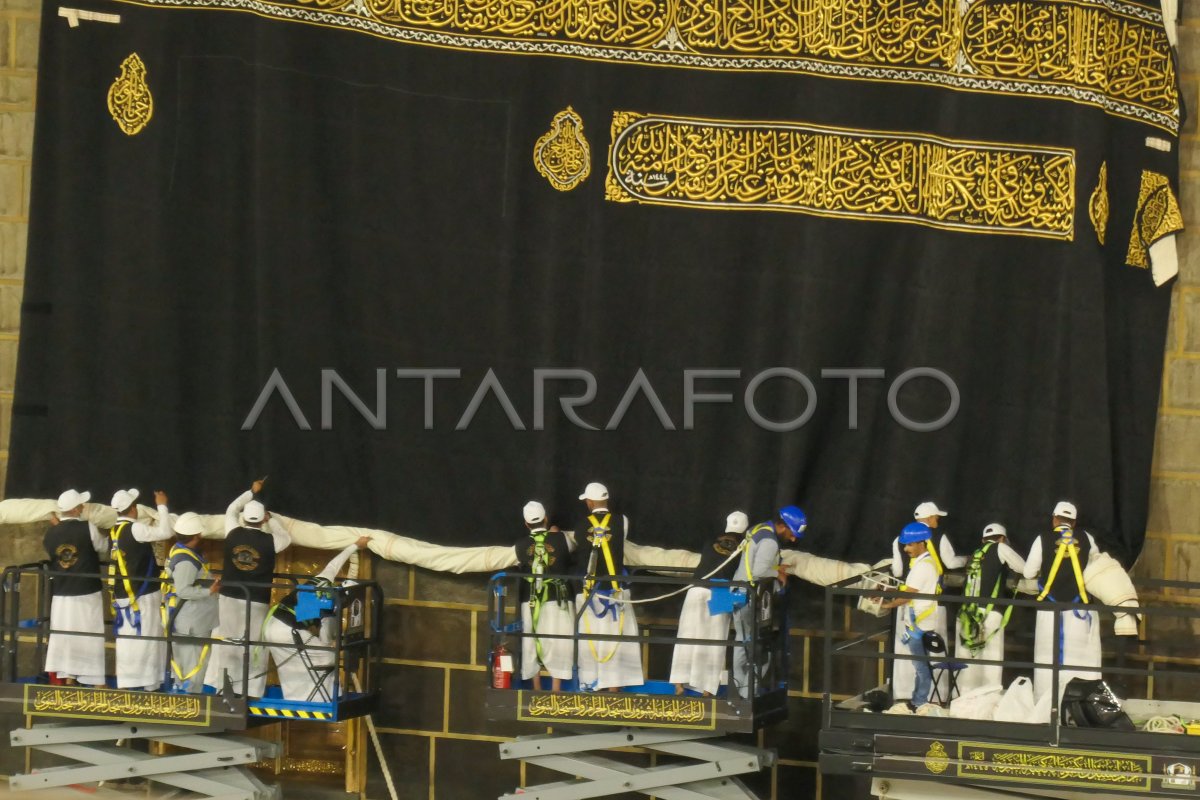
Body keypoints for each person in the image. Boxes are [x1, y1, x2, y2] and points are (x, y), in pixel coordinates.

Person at [206, 478, 290, 697]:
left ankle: (226, 687)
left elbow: (231, 508)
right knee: (254, 644)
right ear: (262, 519)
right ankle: (252, 690)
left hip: (230, 596)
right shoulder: (272, 541)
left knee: (229, 640)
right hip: (257, 599)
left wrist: (252, 491)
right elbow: (286, 538)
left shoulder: (232, 531)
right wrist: (272, 521)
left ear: (244, 518)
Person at [260, 536, 370, 701]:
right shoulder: (333, 606)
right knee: (327, 657)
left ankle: (295, 696)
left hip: (271, 626)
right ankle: (323, 699)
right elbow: (325, 639)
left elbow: (333, 565)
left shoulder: (322, 581)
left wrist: (355, 545)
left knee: (293, 665)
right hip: (288, 632)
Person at [1023, 501, 1102, 702]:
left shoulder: (1042, 538)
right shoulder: (1087, 538)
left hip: (1050, 609)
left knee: (1047, 660)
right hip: (1080, 610)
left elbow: (1028, 572)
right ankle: (1079, 705)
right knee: (1081, 661)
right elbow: (1096, 567)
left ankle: (1046, 707)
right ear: (1074, 523)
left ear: (1054, 519)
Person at [574, 482, 643, 691]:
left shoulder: (579, 526)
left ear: (589, 502)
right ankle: (614, 688)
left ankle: (594, 685)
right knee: (617, 641)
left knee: (592, 641)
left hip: (591, 594)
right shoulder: (623, 521)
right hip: (617, 591)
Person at [670, 510, 747, 696]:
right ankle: (707, 690)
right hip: (720, 593)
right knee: (715, 641)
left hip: (696, 588)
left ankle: (679, 684)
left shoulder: (710, 542)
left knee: (687, 636)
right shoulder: (745, 547)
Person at [732, 506, 805, 698]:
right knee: (755, 649)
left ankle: (744, 692)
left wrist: (775, 567)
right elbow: (757, 571)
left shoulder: (759, 529)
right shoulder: (770, 541)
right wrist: (778, 573)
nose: (793, 539)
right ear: (783, 526)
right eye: (792, 533)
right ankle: (746, 695)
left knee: (744, 641)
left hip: (741, 594)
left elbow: (754, 561)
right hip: (748, 597)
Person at [108, 487, 172, 690]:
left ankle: (128, 681)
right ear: (133, 509)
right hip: (143, 594)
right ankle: (149, 684)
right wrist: (162, 506)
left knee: (128, 639)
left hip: (123, 594)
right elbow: (166, 532)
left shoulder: (113, 532)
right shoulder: (135, 529)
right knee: (148, 637)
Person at [43, 489, 107, 686]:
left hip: (62, 593)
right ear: (76, 509)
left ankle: (69, 676)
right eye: (81, 505)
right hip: (86, 591)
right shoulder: (88, 527)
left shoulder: (50, 533)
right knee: (90, 635)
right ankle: (96, 681)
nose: (83, 507)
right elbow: (103, 547)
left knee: (66, 636)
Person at [955, 523, 1026, 693]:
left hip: (967, 614)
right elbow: (1023, 567)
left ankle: (965, 699)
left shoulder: (974, 554)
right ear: (1002, 538)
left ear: (983, 539)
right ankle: (990, 699)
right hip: (990, 613)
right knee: (991, 662)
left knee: (968, 662)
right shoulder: (1000, 548)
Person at [514, 501, 574, 692]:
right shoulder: (562, 539)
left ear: (526, 524)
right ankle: (556, 689)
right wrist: (556, 534)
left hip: (529, 600)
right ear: (545, 519)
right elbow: (571, 548)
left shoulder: (520, 545)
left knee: (531, 640)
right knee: (559, 640)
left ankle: (536, 688)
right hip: (559, 600)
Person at [882, 522, 942, 714]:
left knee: (921, 666)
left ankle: (919, 701)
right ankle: (918, 700)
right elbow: (908, 589)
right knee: (921, 666)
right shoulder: (924, 563)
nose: (906, 549)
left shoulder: (923, 566)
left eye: (908, 545)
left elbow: (909, 594)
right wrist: (890, 591)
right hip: (920, 622)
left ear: (919, 543)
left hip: (919, 624)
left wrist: (888, 604)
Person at [164, 512, 220, 693]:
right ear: (196, 536)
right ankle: (190, 698)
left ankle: (186, 694)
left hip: (193, 619)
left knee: (189, 661)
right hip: (191, 622)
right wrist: (209, 591)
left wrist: (210, 579)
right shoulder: (186, 561)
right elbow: (183, 590)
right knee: (193, 664)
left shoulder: (182, 550)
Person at [890, 501, 967, 578]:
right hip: (933, 586)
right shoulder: (939, 536)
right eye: (937, 518)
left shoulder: (898, 539)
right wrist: (965, 560)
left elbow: (897, 572)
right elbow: (951, 564)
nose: (937, 522)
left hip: (909, 586)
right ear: (930, 518)